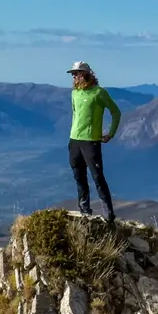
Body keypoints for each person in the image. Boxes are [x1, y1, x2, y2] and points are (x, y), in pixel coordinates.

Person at [66, 60, 121, 220]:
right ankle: (84, 210)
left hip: (90, 141)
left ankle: (109, 214)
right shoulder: (74, 93)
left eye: (76, 73)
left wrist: (110, 133)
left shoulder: (99, 93)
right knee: (79, 176)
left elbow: (116, 112)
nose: (74, 77)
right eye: (73, 74)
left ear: (85, 74)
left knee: (97, 177)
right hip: (74, 140)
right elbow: (75, 115)